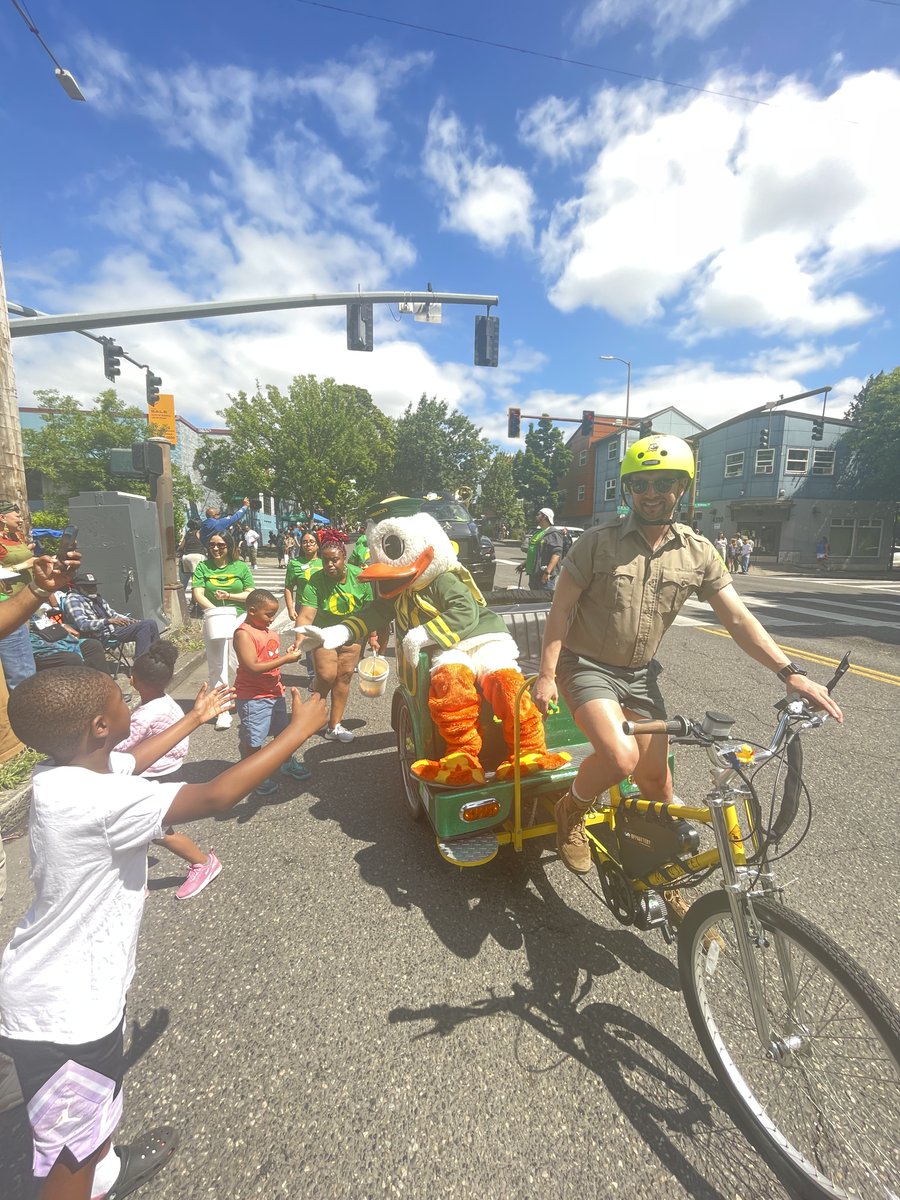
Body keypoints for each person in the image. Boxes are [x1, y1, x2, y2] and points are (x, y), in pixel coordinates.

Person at [0, 665, 324, 1200]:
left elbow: (132, 761)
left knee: (93, 1116)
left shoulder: (62, 776)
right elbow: (217, 796)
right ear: (100, 726)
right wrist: (298, 730)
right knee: (69, 1156)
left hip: (61, 986)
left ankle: (107, 1174)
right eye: (120, 700)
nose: (130, 706)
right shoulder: (103, 803)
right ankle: (89, 1183)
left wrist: (195, 717)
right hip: (66, 1012)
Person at [532, 434, 842, 893]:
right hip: (586, 667)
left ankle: (665, 880)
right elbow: (560, 610)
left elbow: (737, 618)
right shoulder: (597, 543)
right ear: (628, 489)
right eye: (641, 484)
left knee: (658, 785)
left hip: (640, 676)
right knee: (619, 757)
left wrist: (790, 673)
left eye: (664, 483)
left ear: (682, 488)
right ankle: (571, 809)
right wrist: (546, 675)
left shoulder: (698, 552)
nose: (651, 493)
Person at [113, 641, 222, 899]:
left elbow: (120, 749)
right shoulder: (166, 702)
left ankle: (203, 863)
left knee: (158, 831)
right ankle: (134, 879)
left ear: (134, 680)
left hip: (154, 776)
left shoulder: (143, 716)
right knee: (139, 827)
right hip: (168, 771)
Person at [293, 534, 372, 742]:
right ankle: (311, 716)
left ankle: (334, 726)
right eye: (325, 560)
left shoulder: (360, 577)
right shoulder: (316, 580)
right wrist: (299, 639)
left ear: (344, 558)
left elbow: (371, 610)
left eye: (334, 560)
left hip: (352, 634)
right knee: (327, 675)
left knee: (344, 677)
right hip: (324, 634)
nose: (329, 564)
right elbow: (306, 615)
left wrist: (373, 636)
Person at [234, 589, 309, 794]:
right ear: (252, 611)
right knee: (255, 739)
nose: (272, 618)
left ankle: (286, 762)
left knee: (282, 732)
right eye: (268, 614)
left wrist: (287, 654)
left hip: (274, 692)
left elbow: (269, 659)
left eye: (274, 614)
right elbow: (252, 666)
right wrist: (286, 659)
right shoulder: (244, 634)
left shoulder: (270, 633)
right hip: (253, 697)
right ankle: (254, 775)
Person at [191, 532, 255, 731]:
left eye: (221, 545)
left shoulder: (240, 566)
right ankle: (222, 710)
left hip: (239, 618)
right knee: (217, 665)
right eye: (212, 545)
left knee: (241, 662)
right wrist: (215, 611)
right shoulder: (203, 567)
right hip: (215, 619)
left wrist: (229, 596)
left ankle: (250, 698)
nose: (216, 548)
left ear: (229, 545)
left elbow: (250, 593)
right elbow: (198, 593)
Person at [63, 572, 160, 660]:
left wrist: (129, 620)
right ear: (79, 587)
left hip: (114, 631)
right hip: (99, 636)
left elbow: (113, 614)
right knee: (145, 626)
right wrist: (107, 621)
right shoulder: (73, 600)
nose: (93, 589)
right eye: (88, 587)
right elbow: (82, 625)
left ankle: (157, 659)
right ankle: (142, 663)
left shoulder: (97, 598)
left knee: (150, 623)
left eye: (94, 586)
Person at [0, 499, 37, 688]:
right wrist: (24, 564)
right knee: (19, 662)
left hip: (29, 595)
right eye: (17, 516)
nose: (21, 520)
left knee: (25, 649)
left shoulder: (17, 537)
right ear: (2, 518)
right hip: (11, 601)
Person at [283, 531, 323, 623]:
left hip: (323, 606)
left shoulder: (325, 562)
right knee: (303, 632)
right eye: (304, 542)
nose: (308, 544)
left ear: (317, 545)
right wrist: (290, 609)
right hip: (302, 607)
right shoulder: (294, 564)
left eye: (311, 542)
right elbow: (288, 588)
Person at [526, 507, 564, 593]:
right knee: (533, 599)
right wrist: (525, 564)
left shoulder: (553, 533)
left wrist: (547, 572)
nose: (536, 516)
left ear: (544, 517)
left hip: (543, 574)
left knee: (543, 598)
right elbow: (536, 552)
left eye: (538, 514)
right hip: (534, 574)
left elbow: (556, 554)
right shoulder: (538, 532)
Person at [177, 518, 205, 596]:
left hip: (186, 557)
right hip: (198, 557)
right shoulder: (199, 533)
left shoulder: (188, 534)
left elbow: (181, 547)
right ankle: (195, 599)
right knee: (197, 582)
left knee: (183, 582)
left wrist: (178, 550)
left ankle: (181, 598)